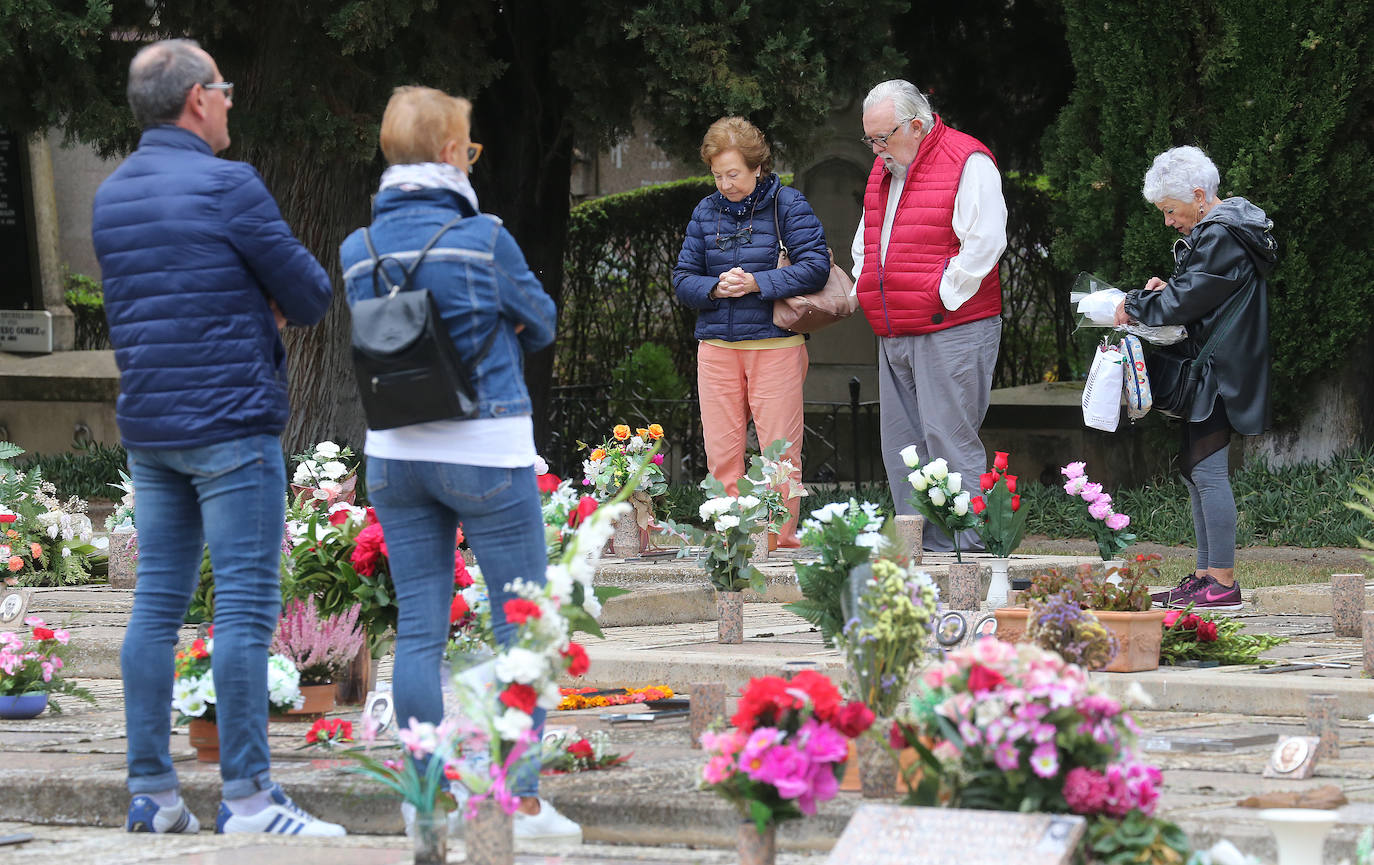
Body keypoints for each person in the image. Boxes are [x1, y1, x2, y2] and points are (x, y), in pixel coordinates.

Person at [92, 39, 339, 835]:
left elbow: (161, 297)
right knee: (241, 609)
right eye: (224, 89)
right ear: (198, 98)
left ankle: (154, 795)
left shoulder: (112, 193)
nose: (231, 100)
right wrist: (260, 303)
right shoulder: (231, 185)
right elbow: (308, 293)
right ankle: (250, 797)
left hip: (151, 426)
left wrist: (242, 300)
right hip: (232, 424)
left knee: (155, 606)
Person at [338, 86, 580, 843]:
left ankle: (423, 794)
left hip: (394, 454)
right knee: (520, 628)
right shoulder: (484, 239)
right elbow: (540, 322)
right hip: (484, 448)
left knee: (418, 632)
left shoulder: (357, 247)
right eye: (468, 146)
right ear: (451, 153)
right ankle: (520, 801)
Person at [1114, 145, 1275, 611]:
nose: (1168, 220)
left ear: (1199, 195)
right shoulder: (1225, 231)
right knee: (1195, 472)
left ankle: (1221, 582)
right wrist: (1170, 291)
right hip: (1220, 365)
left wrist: (1133, 305)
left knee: (1206, 472)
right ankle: (1205, 575)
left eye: (1170, 210)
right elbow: (1202, 295)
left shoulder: (1221, 235)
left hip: (1219, 371)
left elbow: (1185, 303)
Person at [849, 80, 1007, 552]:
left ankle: (970, 553)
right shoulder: (885, 170)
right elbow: (866, 239)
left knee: (949, 441)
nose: (877, 150)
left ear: (917, 126)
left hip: (951, 326)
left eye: (883, 138)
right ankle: (918, 552)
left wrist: (941, 293)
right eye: (870, 140)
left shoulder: (967, 159)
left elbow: (985, 241)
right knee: (902, 448)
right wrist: (866, 282)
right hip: (895, 327)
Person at [672, 117, 830, 545]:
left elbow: (816, 267)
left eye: (733, 174)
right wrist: (713, 287)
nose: (724, 184)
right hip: (717, 347)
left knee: (778, 452)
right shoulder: (705, 212)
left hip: (776, 345)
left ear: (757, 166)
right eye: (717, 175)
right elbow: (683, 279)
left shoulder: (788, 204)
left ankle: (776, 539)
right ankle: (731, 539)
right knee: (722, 454)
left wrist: (759, 283)